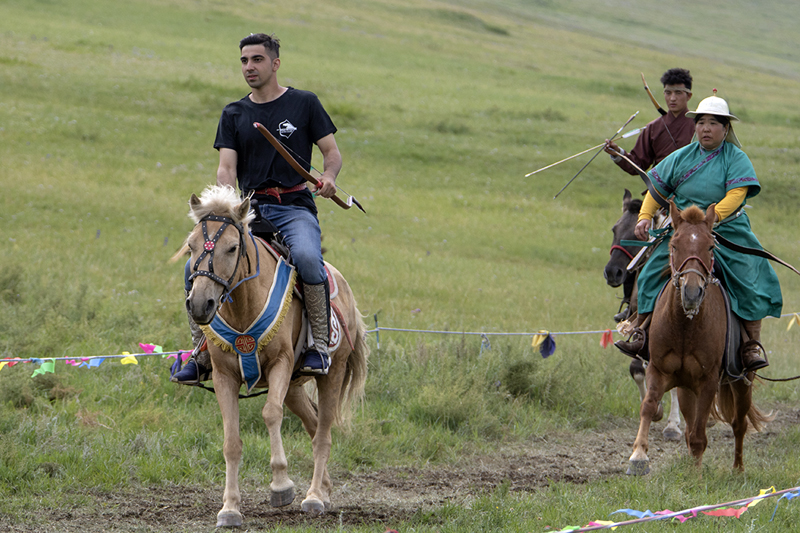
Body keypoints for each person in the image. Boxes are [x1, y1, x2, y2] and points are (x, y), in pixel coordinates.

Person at [172, 32, 342, 384]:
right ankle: (201, 352)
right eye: (244, 61)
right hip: (249, 211)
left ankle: (318, 345)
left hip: (295, 206)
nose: (249, 67)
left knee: (309, 259)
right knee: (194, 266)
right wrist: (226, 199)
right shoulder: (234, 113)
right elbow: (226, 168)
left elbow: (331, 153)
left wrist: (328, 177)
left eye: (257, 59)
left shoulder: (305, 103)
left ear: (275, 63)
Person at [614, 93, 782, 373]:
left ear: (726, 129)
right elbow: (656, 190)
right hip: (682, 230)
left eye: (714, 123)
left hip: (726, 228)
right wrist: (644, 216)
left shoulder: (735, 158)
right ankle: (641, 330)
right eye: (701, 122)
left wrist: (710, 220)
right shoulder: (680, 157)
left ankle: (751, 344)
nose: (706, 128)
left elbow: (737, 194)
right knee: (651, 271)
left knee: (750, 277)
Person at [604, 68, 695, 172]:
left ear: (688, 96)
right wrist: (618, 152)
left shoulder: (699, 126)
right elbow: (638, 164)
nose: (672, 98)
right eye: (668, 93)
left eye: (678, 93)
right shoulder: (653, 128)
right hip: (658, 187)